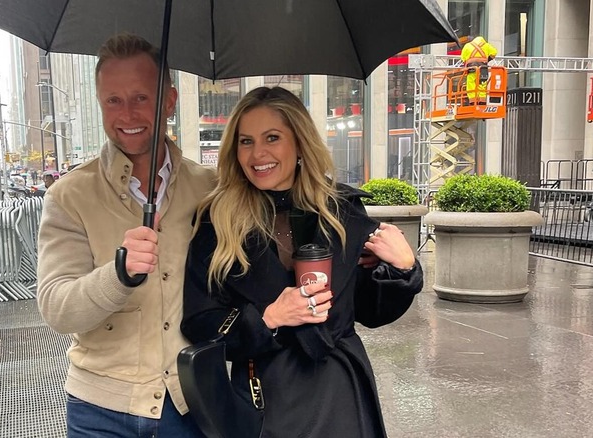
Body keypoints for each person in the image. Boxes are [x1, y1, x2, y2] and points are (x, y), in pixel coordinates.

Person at [181, 86, 423, 437]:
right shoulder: (217, 221)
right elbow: (199, 320)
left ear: (299, 143)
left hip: (337, 390)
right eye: (245, 141)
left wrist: (404, 269)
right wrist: (268, 319)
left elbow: (370, 310)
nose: (257, 153)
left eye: (272, 137)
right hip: (264, 394)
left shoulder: (341, 210)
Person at [36, 33, 215, 437]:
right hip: (101, 411)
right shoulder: (70, 195)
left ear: (169, 101)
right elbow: (57, 309)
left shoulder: (210, 189)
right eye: (113, 100)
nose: (127, 113)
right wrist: (118, 274)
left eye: (140, 97)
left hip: (192, 402)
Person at [460, 36, 498, 105]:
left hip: (471, 67)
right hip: (482, 68)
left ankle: (472, 101)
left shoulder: (467, 46)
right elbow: (494, 53)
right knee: (482, 83)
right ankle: (482, 101)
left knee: (471, 83)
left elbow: (463, 58)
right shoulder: (486, 45)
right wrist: (488, 59)